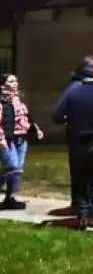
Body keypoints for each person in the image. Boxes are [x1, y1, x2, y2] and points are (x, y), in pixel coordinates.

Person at [51, 57, 93, 229]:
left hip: (77, 142)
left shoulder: (72, 92)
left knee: (80, 178)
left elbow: (56, 114)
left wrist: (70, 119)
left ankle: (82, 215)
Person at [1, 74, 44, 210]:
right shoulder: (2, 101)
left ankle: (10, 198)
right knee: (12, 167)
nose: (15, 83)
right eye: (11, 81)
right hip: (7, 139)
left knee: (17, 170)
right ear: (3, 84)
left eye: (16, 81)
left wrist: (36, 128)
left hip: (21, 138)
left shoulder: (19, 99)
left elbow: (26, 116)